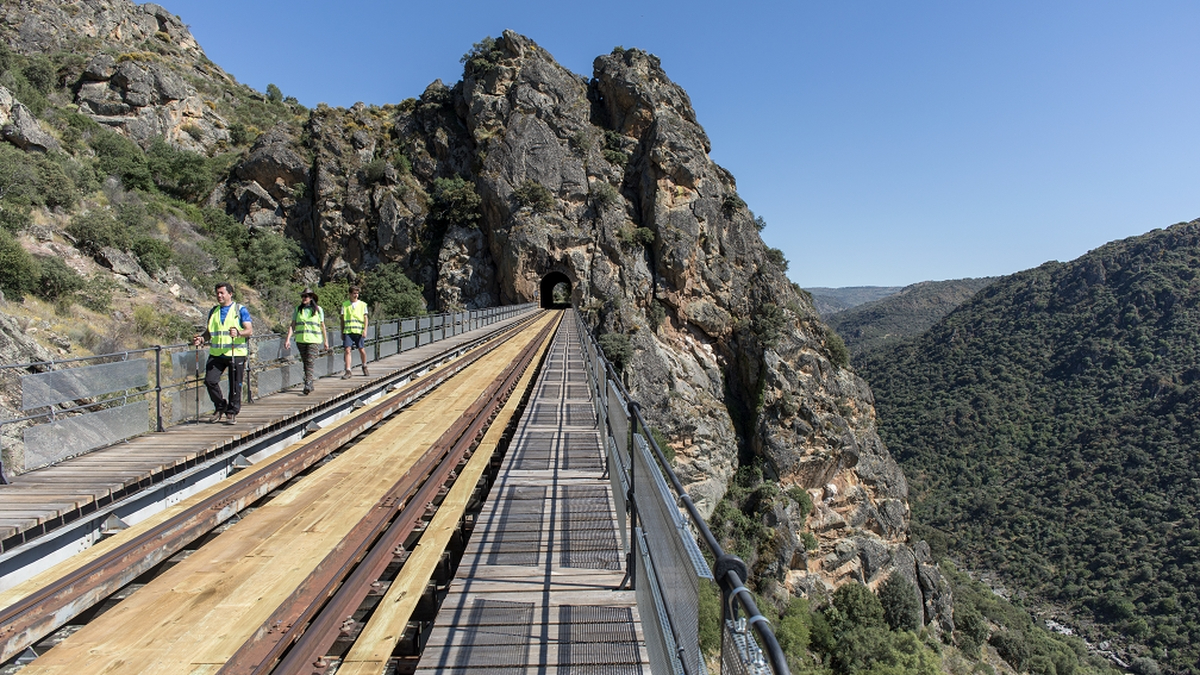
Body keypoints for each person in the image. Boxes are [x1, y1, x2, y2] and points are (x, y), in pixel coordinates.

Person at [192, 282, 253, 424]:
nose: (219, 295)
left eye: (222, 293)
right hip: (217, 353)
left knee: (235, 384)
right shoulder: (213, 311)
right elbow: (209, 332)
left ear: (230, 294)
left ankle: (231, 412)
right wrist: (202, 339)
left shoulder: (240, 310)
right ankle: (220, 406)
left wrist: (238, 333)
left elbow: (249, 330)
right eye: (217, 293)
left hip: (235, 352)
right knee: (210, 380)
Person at [284, 287, 329, 395]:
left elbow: (323, 326)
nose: (304, 298)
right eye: (303, 296)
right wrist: (288, 338)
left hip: (314, 340)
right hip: (301, 339)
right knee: (305, 362)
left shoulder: (318, 310)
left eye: (306, 296)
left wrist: (326, 341)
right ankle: (310, 383)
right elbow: (293, 324)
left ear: (311, 298)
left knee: (310, 361)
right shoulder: (298, 310)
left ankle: (307, 383)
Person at [341, 285, 370, 378]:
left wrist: (365, 330)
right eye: (354, 293)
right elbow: (342, 319)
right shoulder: (345, 305)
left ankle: (364, 365)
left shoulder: (363, 305)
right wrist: (342, 332)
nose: (356, 295)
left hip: (359, 331)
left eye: (357, 293)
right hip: (348, 330)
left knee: (361, 349)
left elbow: (365, 318)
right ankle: (348, 370)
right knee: (347, 350)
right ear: (350, 294)